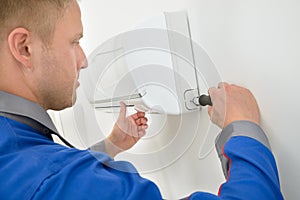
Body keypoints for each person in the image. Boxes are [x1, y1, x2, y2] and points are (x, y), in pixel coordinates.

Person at [0, 0, 284, 199]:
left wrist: (110, 146)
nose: (84, 61)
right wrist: (243, 129)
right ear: (24, 47)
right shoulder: (53, 181)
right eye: (74, 42)